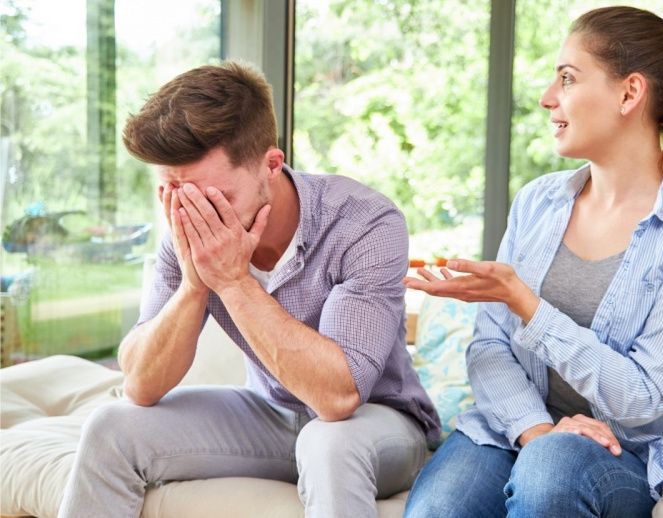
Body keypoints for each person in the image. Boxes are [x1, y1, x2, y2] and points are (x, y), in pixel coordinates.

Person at [402, 5, 663, 518]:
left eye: (567, 78)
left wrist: (526, 304)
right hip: (512, 430)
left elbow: (643, 395)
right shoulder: (537, 202)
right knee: (440, 509)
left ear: (629, 93)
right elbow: (489, 347)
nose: (547, 99)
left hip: (623, 456)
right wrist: (537, 429)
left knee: (553, 470)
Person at [57, 61, 440, 518]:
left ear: (271, 165)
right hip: (271, 414)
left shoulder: (364, 223)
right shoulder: (184, 234)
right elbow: (140, 384)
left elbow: (337, 399)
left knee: (328, 441)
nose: (195, 216)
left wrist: (235, 282)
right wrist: (195, 285)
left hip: (377, 423)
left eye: (213, 198)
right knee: (110, 427)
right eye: (174, 195)